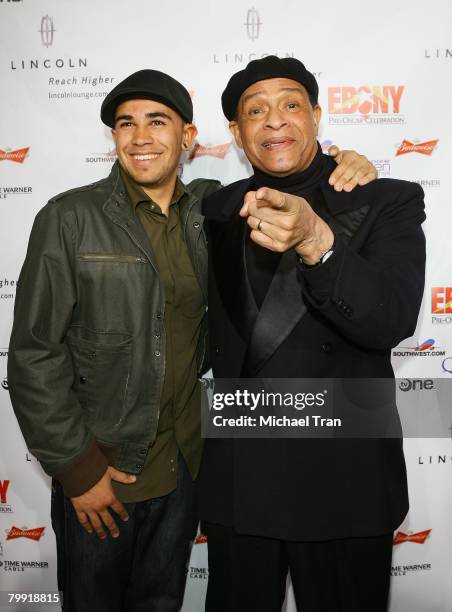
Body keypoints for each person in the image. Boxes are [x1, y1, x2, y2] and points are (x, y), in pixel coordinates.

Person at [7, 68, 377, 612]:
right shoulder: (70, 217)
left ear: (188, 138)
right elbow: (35, 352)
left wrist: (344, 159)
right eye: (124, 124)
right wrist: (77, 470)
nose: (140, 137)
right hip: (105, 469)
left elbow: (292, 170)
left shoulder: (214, 210)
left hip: (185, 469)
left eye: (157, 122)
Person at [198, 56, 426, 612]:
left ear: (317, 116)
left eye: (291, 104)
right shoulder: (214, 211)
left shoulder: (383, 201)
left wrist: (319, 243)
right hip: (239, 484)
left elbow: (391, 319)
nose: (274, 120)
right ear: (236, 132)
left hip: (343, 482)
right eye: (256, 110)